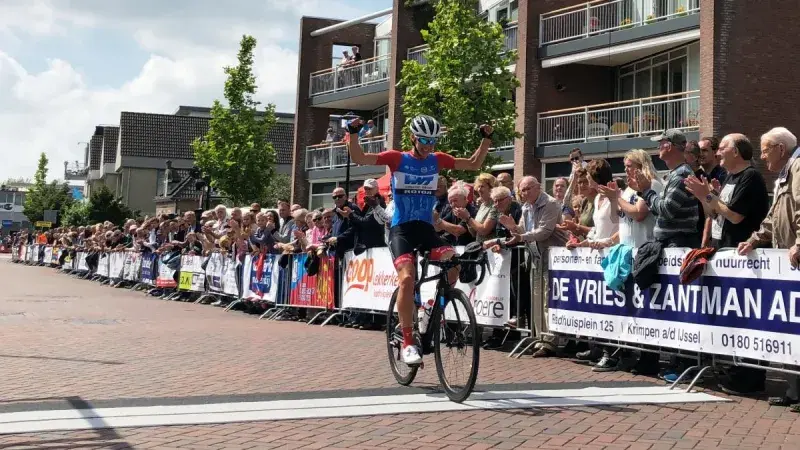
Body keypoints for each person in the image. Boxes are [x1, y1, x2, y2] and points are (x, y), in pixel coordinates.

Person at [346, 114, 494, 365]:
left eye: (433, 141)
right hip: (401, 230)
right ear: (413, 138)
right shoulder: (398, 158)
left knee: (453, 266)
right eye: (424, 140)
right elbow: (359, 158)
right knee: (406, 279)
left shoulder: (436, 160)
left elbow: (472, 163)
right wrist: (352, 133)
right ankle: (407, 342)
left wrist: (486, 138)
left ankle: (430, 316)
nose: (429, 145)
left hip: (425, 228)